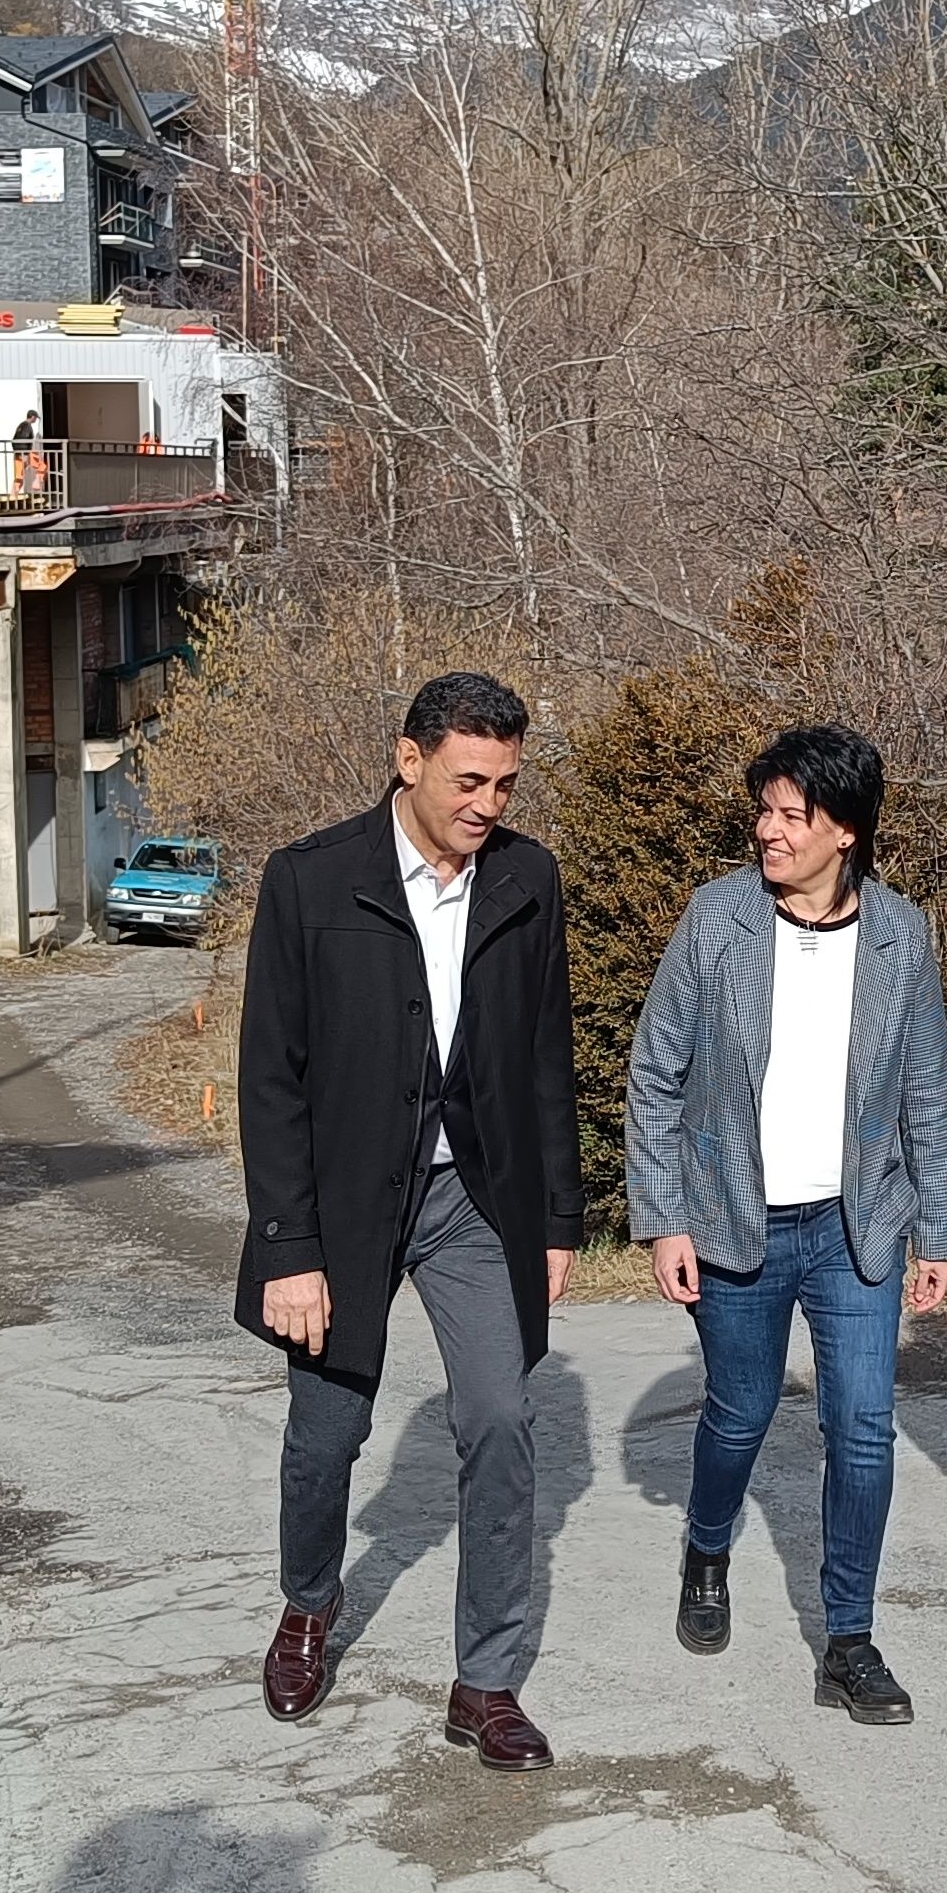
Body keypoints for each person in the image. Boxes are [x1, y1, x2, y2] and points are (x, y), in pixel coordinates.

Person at [236, 671, 585, 1772]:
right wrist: (290, 1251)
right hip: (343, 1207)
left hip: (473, 1202)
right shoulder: (311, 881)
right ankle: (306, 1609)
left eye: (506, 784)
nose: (488, 803)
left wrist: (559, 1218)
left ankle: (485, 1683)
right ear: (410, 760)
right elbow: (271, 1079)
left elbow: (544, 1059)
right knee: (328, 1434)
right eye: (469, 780)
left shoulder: (527, 880)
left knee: (499, 1420)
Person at [625, 723, 947, 1726]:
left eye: (790, 816)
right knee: (740, 1411)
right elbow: (656, 1075)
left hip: (858, 1228)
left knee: (862, 1430)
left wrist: (935, 1231)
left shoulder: (902, 937)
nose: (767, 831)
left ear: (844, 832)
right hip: (736, 1222)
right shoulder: (716, 920)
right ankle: (708, 1541)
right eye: (763, 811)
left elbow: (925, 1095)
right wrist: (662, 1220)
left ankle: (849, 1639)